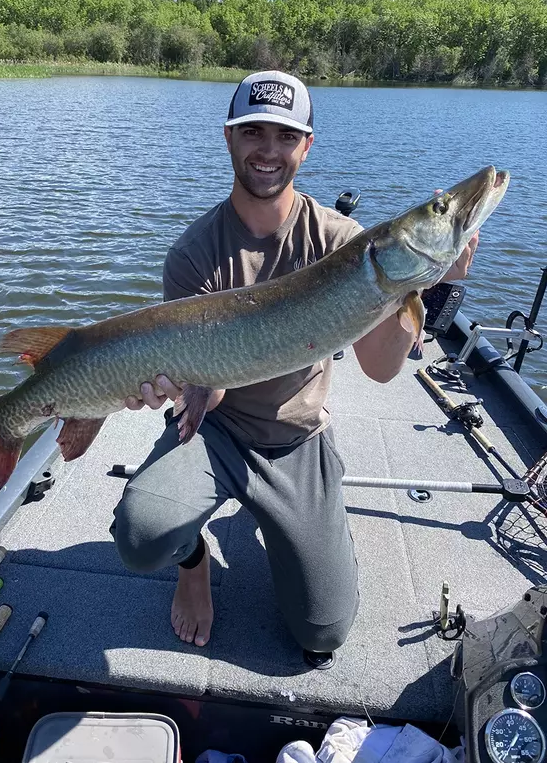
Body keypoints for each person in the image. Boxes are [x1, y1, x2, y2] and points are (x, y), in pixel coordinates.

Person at [109, 71, 478, 669]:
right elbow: (201, 379)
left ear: (306, 146)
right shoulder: (194, 252)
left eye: (285, 136)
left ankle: (307, 529)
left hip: (297, 441)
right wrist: (159, 384)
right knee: (142, 532)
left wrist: (427, 289)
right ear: (230, 138)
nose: (268, 150)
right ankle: (194, 563)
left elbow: (382, 369)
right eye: (253, 132)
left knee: (322, 632)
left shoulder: (344, 243)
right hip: (214, 432)